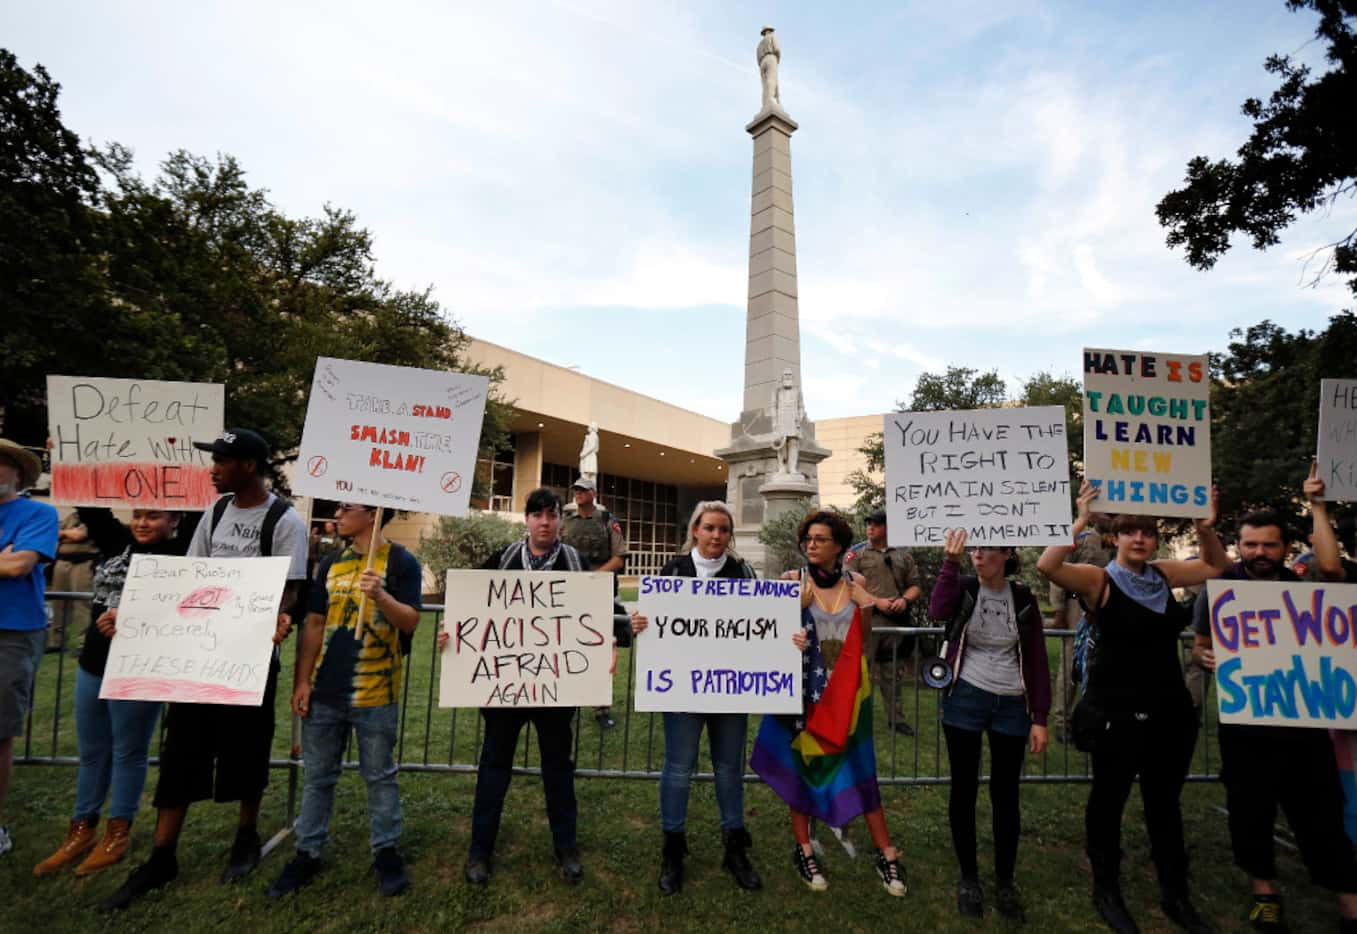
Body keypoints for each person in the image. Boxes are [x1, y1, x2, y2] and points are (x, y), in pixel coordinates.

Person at [100, 428, 306, 911]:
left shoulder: (284, 521)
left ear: (249, 466)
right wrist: (135, 618)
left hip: (249, 658)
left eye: (222, 461)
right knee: (182, 748)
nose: (212, 469)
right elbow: (189, 579)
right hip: (198, 654)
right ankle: (161, 854)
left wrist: (277, 618)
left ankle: (246, 834)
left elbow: (289, 588)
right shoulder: (213, 513)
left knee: (246, 748)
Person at [1038, 482, 1229, 934]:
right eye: (1130, 532)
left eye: (1147, 532)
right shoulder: (1098, 579)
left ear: (1156, 539)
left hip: (1168, 713)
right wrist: (1081, 516)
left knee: (1165, 806)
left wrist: (1205, 529)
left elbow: (1217, 567)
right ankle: (1107, 889)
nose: (1139, 539)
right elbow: (1048, 565)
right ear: (1115, 538)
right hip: (1116, 714)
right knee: (1109, 802)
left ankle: (1176, 894)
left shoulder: (1163, 574)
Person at [1190, 468, 1357, 932]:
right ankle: (1265, 892)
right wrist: (1203, 656)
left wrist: (1317, 505)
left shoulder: (1306, 588)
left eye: (1269, 545)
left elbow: (1332, 567)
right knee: (1250, 810)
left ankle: (1348, 898)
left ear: (1285, 549)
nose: (1259, 553)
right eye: (1250, 545)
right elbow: (1201, 644)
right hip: (1246, 727)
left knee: (1322, 812)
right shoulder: (1219, 592)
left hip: (1305, 726)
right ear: (1239, 547)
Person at [269, 502, 423, 899]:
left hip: (376, 692)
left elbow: (411, 621)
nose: (336, 514)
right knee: (318, 777)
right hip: (325, 692)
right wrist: (303, 681)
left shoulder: (402, 562)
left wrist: (382, 596)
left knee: (380, 776)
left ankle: (386, 850)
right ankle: (307, 851)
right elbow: (315, 624)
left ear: (372, 514)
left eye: (346, 509)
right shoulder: (330, 564)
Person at [440, 487, 592, 886]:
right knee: (494, 768)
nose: (545, 522)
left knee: (558, 769)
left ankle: (567, 847)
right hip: (504, 690)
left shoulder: (575, 562)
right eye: (537, 514)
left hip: (556, 690)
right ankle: (479, 850)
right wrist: (451, 632)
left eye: (552, 514)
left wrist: (616, 635)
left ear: (561, 519)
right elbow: (473, 609)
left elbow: (596, 616)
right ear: (526, 520)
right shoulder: (504, 559)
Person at [751, 509, 907, 896]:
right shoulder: (792, 582)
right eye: (808, 540)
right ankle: (804, 849)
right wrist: (794, 609)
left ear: (839, 546)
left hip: (851, 692)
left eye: (820, 539)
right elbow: (768, 634)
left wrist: (866, 602)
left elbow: (865, 632)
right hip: (804, 692)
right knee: (800, 767)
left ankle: (885, 853)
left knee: (860, 767)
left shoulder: (856, 580)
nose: (812, 545)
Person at [33, 505, 191, 878]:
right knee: (92, 754)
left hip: (140, 666)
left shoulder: (183, 553)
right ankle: (81, 830)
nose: (142, 522)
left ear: (174, 521)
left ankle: (117, 833)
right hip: (94, 663)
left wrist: (134, 617)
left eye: (153, 516)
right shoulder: (117, 540)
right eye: (138, 514)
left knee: (128, 753)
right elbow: (90, 501)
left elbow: (182, 610)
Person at [628, 501, 762, 895]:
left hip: (730, 688)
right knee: (678, 767)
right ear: (695, 531)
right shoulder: (672, 571)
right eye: (709, 528)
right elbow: (655, 623)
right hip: (683, 688)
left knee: (728, 769)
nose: (716, 536)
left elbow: (763, 624)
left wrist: (789, 638)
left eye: (723, 529)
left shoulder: (743, 572)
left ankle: (734, 846)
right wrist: (640, 624)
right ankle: (673, 848)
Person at [930, 529, 1051, 922]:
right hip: (965, 697)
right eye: (975, 550)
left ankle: (1004, 881)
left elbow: (1035, 658)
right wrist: (950, 563)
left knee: (1006, 794)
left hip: (1012, 703)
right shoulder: (963, 587)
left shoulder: (1023, 598)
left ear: (1007, 554)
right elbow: (937, 610)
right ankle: (969, 879)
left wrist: (1040, 717)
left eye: (987, 550)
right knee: (963, 790)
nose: (978, 556)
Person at [0, 438, 59, 858]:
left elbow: (20, 566)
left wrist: (11, 561)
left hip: (12, 633)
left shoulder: (39, 512)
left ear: (18, 474)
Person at [844, 510, 923, 737]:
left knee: (893, 672)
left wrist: (905, 600)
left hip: (894, 623)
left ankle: (896, 719)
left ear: (888, 527)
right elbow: (848, 584)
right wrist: (876, 601)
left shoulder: (903, 556)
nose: (871, 528)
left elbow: (915, 584)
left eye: (876, 524)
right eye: (869, 523)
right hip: (866, 621)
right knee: (859, 671)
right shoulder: (856, 554)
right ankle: (852, 718)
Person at [560, 477, 627, 729]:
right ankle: (564, 701)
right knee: (565, 645)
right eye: (575, 490)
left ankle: (601, 708)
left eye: (583, 490)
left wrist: (592, 579)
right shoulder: (565, 521)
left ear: (593, 494)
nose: (578, 493)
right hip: (569, 594)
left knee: (599, 651)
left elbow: (619, 557)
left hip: (599, 593)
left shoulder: (607, 520)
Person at [1047, 514, 1114, 743]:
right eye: (1105, 513)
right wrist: (1059, 610)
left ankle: (1098, 719)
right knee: (1071, 664)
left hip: (1108, 606)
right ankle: (1062, 722)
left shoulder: (1117, 540)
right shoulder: (1083, 538)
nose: (1109, 517)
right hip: (1077, 603)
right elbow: (1056, 572)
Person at [48, 511, 99, 652]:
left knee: (83, 603)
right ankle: (57, 642)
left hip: (84, 562)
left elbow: (80, 535)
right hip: (62, 561)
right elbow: (54, 534)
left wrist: (64, 534)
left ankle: (84, 643)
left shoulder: (96, 515)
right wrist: (68, 534)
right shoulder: (71, 516)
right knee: (58, 603)